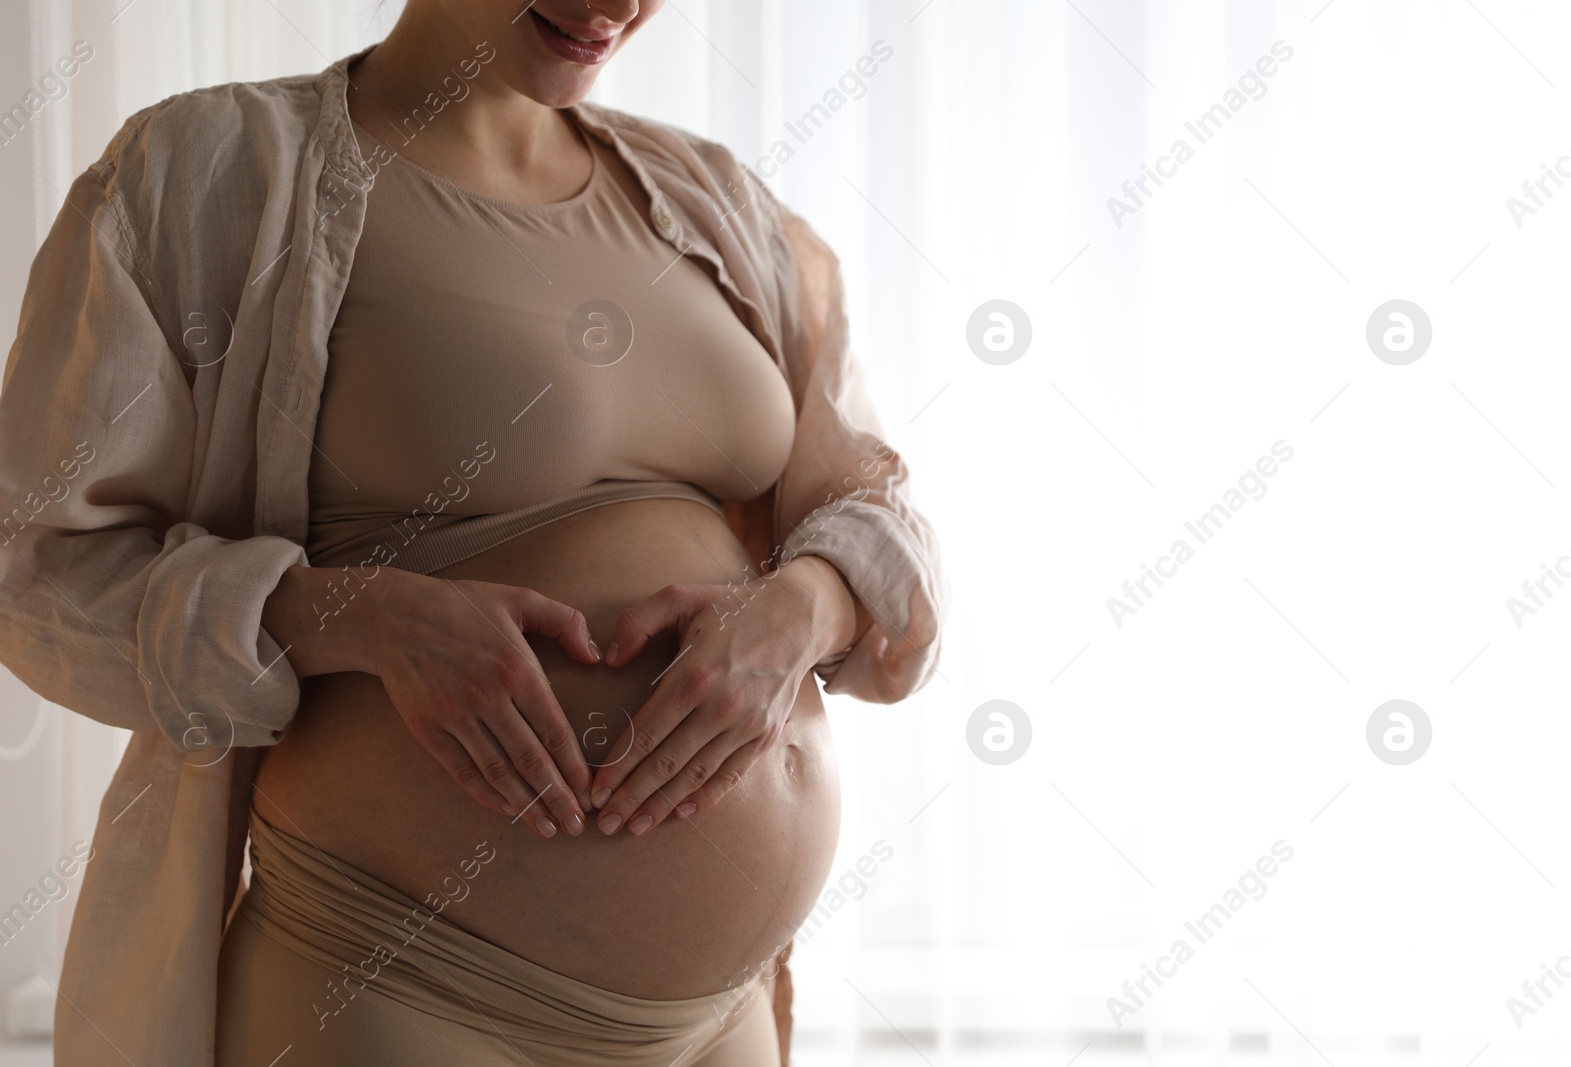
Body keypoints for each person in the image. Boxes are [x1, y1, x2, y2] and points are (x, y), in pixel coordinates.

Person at [0, 1, 948, 1064]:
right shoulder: (209, 176)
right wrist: (356, 618)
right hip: (400, 988)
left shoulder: (715, 199)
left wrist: (802, 607)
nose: (614, 7)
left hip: (717, 1019)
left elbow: (877, 517)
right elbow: (34, 572)